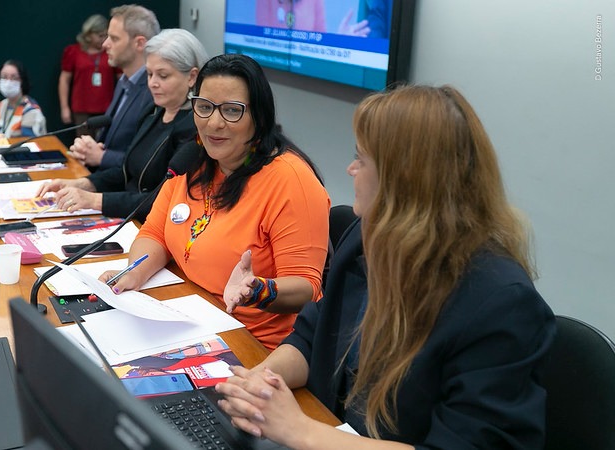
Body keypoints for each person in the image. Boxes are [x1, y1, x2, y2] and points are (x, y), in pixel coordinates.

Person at [215, 85, 557, 448]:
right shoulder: (365, 237)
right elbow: (312, 337)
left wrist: (297, 429)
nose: (350, 169)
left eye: (361, 159)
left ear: (404, 181)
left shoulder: (499, 303)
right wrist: (259, 382)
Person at [98, 54, 331, 350]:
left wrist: (258, 290)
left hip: (253, 344)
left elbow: (307, 288)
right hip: (189, 318)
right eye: (204, 107)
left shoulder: (291, 181)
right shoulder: (193, 161)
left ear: (259, 117)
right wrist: (134, 272)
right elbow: (155, 234)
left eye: (232, 111)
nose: (214, 123)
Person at [38, 29, 208, 221]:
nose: (152, 83)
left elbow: (162, 199)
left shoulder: (195, 127)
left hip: (154, 227)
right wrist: (83, 184)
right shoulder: (153, 111)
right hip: (127, 218)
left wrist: (95, 200)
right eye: (150, 74)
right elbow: (127, 170)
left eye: (163, 75)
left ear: (192, 77)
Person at [68, 4, 159, 170]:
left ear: (139, 43)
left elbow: (149, 163)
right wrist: (89, 150)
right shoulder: (125, 81)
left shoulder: (154, 91)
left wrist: (102, 157)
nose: (105, 44)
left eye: (114, 38)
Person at [58, 14, 118, 136]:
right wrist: (64, 107)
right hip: (82, 109)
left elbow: (122, 79)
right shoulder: (74, 51)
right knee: (83, 144)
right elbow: (64, 79)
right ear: (89, 35)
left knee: (103, 143)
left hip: (106, 109)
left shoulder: (111, 52)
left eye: (106, 35)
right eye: (100, 35)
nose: (103, 39)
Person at [0, 60, 46, 138]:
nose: (8, 82)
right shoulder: (2, 105)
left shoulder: (31, 110)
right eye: (4, 77)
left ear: (22, 81)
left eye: (14, 78)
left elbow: (29, 144)